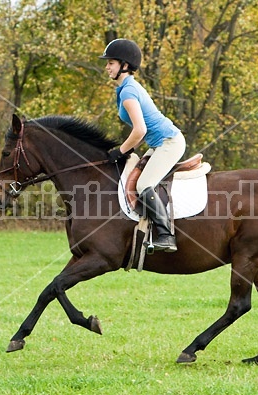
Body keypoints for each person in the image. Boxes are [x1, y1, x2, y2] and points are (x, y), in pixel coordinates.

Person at [99, 38, 186, 253]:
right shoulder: (125, 89)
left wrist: (120, 151)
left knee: (143, 185)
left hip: (169, 142)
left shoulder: (128, 92)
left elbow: (140, 130)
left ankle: (166, 236)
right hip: (158, 144)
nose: (107, 67)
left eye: (111, 62)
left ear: (125, 65)